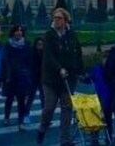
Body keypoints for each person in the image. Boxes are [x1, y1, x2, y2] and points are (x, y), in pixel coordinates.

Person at [37, 8, 83, 146]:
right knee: (49, 107)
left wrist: (79, 70)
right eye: (54, 18)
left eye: (59, 18)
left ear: (65, 20)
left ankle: (65, 140)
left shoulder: (72, 35)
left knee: (66, 109)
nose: (56, 20)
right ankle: (42, 128)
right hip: (51, 79)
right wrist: (59, 68)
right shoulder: (49, 35)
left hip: (68, 78)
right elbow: (49, 57)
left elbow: (78, 53)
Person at [3, 24, 35, 131]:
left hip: (23, 74)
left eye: (21, 31)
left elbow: (30, 59)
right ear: (13, 33)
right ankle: (6, 117)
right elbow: (5, 60)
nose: (19, 32)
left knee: (21, 99)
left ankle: (20, 122)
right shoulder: (8, 44)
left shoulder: (26, 44)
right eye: (17, 31)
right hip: (11, 75)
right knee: (10, 98)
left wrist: (29, 72)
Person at [83, 49, 112, 146]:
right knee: (97, 119)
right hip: (99, 98)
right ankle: (95, 140)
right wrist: (85, 77)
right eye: (105, 59)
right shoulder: (96, 69)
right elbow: (89, 77)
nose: (106, 61)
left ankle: (108, 139)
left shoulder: (113, 70)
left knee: (107, 120)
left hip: (109, 99)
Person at [28, 36, 45, 115]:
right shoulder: (32, 53)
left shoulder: (44, 54)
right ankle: (26, 113)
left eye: (42, 44)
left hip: (42, 77)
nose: (40, 46)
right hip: (33, 78)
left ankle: (45, 115)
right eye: (38, 44)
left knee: (43, 97)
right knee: (31, 96)